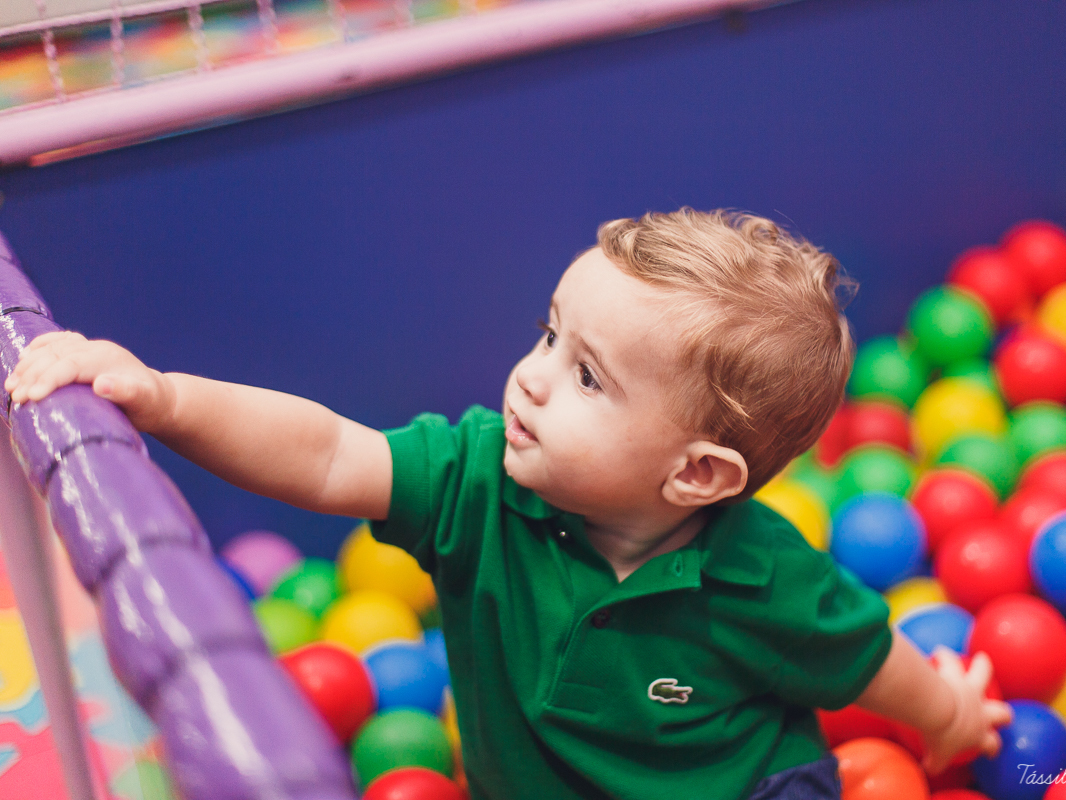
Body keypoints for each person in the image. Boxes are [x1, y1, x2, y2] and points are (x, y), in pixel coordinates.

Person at [5, 208, 1011, 800]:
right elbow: (322, 452)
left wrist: (952, 716)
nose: (530, 379)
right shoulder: (479, 481)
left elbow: (868, 661)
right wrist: (165, 396)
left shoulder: (764, 572)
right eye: (548, 336)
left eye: (588, 378)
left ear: (697, 474)